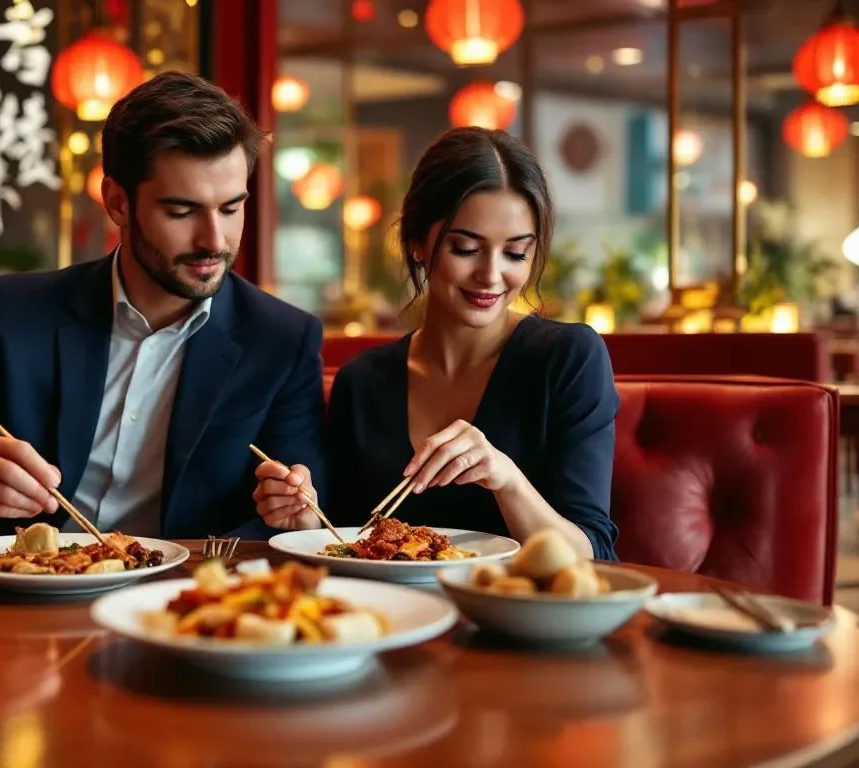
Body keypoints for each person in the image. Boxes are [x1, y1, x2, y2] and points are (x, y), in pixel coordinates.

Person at [0, 71, 327, 551]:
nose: (214, 240)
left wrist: (295, 513)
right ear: (117, 202)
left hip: (186, 604)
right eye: (181, 211)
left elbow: (303, 513)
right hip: (26, 601)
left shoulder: (281, 339)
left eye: (231, 208)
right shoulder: (14, 315)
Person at [252, 127, 619, 560]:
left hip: (517, 616)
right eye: (466, 248)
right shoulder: (363, 381)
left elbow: (593, 554)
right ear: (417, 243)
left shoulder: (568, 358)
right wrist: (306, 517)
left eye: (516, 253)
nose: (491, 274)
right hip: (394, 618)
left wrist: (506, 478)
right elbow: (350, 540)